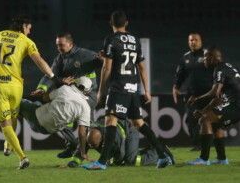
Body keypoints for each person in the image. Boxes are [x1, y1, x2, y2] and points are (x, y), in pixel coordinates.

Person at [82, 10, 172, 170]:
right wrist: (147, 90)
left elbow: (107, 68)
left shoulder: (111, 39)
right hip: (133, 87)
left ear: (110, 23)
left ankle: (102, 162)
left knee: (111, 120)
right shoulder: (135, 40)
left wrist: (101, 91)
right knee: (138, 123)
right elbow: (142, 67)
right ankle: (163, 155)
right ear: (126, 23)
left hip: (118, 87)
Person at [0, 15, 55, 169]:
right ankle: (8, 146)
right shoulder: (26, 41)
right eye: (28, 28)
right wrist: (53, 76)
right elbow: (39, 61)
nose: (29, 32)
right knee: (13, 116)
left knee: (4, 122)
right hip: (15, 85)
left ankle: (22, 158)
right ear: (23, 27)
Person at [32, 32, 102, 158]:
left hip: (88, 95)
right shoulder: (60, 59)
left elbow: (103, 62)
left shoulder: (84, 54)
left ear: (70, 44)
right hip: (71, 95)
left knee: (87, 127)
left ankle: (104, 150)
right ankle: (73, 146)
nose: (59, 48)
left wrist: (104, 60)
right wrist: (42, 88)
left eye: (61, 45)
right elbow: (50, 74)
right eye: (57, 45)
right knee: (63, 117)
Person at [186, 46, 240, 165]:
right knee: (215, 123)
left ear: (212, 58)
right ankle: (222, 159)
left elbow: (214, 92)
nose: (204, 60)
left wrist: (197, 98)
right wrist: (204, 110)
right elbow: (218, 98)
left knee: (205, 120)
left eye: (205, 57)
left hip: (237, 105)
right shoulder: (225, 67)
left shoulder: (219, 69)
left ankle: (203, 159)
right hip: (235, 104)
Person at [20, 76, 93, 162]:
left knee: (17, 102)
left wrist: (60, 85)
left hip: (37, 117)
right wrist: (83, 152)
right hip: (47, 130)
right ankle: (71, 146)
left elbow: (45, 97)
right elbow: (82, 132)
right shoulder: (86, 108)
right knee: (37, 104)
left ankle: (8, 140)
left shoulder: (65, 89)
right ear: (87, 91)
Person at [65, 118, 174, 168]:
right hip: (121, 127)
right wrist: (71, 165)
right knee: (125, 160)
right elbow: (80, 150)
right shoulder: (88, 134)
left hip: (130, 129)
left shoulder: (113, 137)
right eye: (90, 145)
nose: (92, 148)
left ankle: (161, 152)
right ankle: (154, 150)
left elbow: (120, 155)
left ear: (102, 138)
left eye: (95, 145)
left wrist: (107, 162)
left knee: (131, 161)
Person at [172, 33, 213, 151]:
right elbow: (180, 74)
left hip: (208, 94)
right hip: (192, 96)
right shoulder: (186, 57)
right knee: (191, 119)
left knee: (209, 119)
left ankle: (211, 143)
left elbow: (216, 72)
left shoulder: (208, 55)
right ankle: (197, 145)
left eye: (195, 40)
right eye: (191, 40)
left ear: (201, 41)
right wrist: (176, 87)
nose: (193, 42)